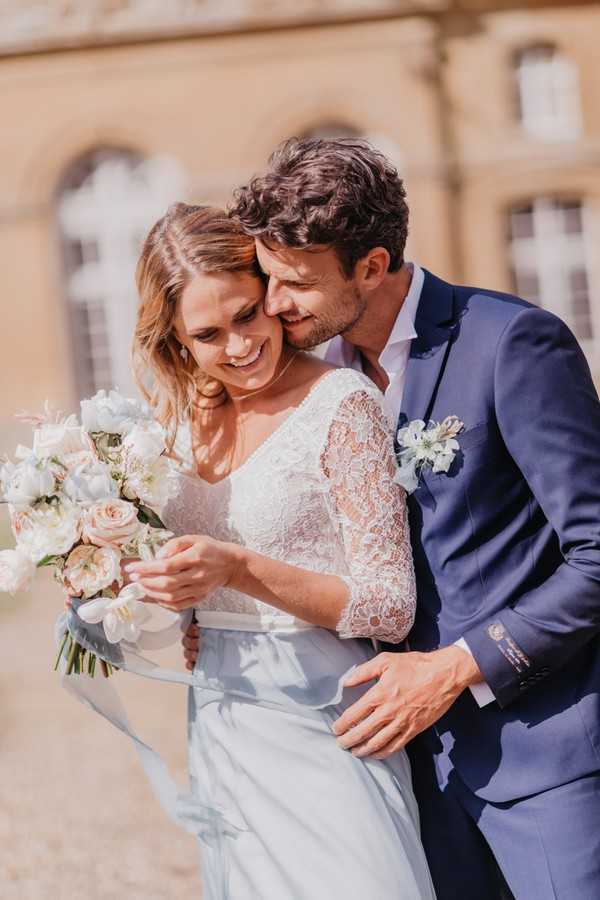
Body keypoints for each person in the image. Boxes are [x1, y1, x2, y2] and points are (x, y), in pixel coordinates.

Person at [181, 137, 600, 900]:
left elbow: (597, 557)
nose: (273, 306)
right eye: (268, 280)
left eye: (295, 286)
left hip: (540, 759)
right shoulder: (311, 373)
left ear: (372, 267)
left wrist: (456, 666)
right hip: (394, 766)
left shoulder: (511, 343)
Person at [126, 202, 436, 899]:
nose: (238, 346)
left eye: (247, 315)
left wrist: (238, 568)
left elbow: (390, 606)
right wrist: (120, 578)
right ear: (176, 343)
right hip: (223, 722)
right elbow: (184, 581)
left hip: (327, 718)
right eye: (207, 335)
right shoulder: (177, 425)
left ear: (268, 293)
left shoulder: (340, 403)